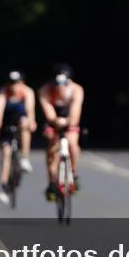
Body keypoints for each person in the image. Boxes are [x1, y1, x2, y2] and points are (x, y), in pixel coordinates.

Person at [39, 64, 84, 202]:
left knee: (72, 143)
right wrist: (55, 121)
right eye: (57, 83)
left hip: (69, 118)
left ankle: (73, 173)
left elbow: (75, 111)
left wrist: (70, 121)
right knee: (52, 144)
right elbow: (48, 112)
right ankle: (52, 182)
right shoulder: (45, 90)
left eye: (64, 83)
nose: (61, 86)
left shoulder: (76, 90)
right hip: (53, 120)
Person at [0, 72, 35, 205]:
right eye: (11, 83)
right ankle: (3, 187)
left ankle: (25, 158)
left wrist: (31, 121)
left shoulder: (27, 92)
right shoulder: (3, 93)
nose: (13, 86)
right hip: (6, 125)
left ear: (21, 83)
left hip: (20, 123)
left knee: (25, 123)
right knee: (6, 153)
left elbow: (29, 110)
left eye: (16, 83)